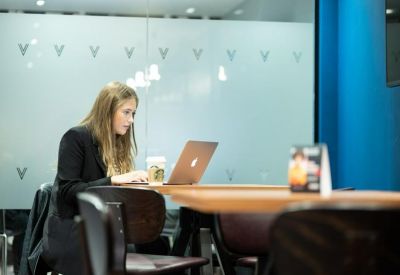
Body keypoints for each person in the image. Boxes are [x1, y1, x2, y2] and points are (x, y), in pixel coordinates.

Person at [41, 81, 148, 275]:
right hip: (72, 233)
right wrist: (113, 180)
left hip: (103, 231)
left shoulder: (117, 143)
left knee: (153, 246)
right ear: (108, 110)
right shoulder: (76, 137)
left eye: (133, 113)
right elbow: (68, 191)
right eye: (126, 112)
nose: (131, 119)